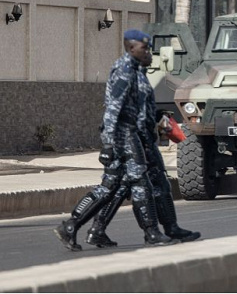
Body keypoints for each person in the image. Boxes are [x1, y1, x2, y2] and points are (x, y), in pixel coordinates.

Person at [54, 30, 175, 251]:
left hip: (133, 134)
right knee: (140, 183)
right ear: (131, 48)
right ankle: (151, 232)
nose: (148, 52)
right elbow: (113, 108)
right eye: (144, 48)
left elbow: (135, 105)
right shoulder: (125, 70)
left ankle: (72, 226)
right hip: (123, 135)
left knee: (111, 186)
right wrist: (109, 143)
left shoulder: (137, 70)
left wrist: (155, 117)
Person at [85, 64, 201, 247]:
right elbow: (115, 112)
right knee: (145, 185)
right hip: (132, 141)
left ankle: (97, 230)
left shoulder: (139, 76)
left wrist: (158, 116)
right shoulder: (125, 75)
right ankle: (162, 230)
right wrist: (109, 144)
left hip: (139, 139)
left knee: (127, 187)